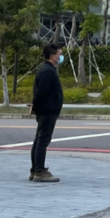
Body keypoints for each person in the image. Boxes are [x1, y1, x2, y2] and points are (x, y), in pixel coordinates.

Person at [28, 43, 64, 183]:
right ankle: (39, 171)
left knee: (39, 140)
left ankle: (35, 169)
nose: (61, 57)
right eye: (59, 54)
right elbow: (41, 93)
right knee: (42, 140)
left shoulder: (47, 69)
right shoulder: (47, 71)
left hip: (47, 109)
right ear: (52, 56)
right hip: (47, 110)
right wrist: (36, 107)